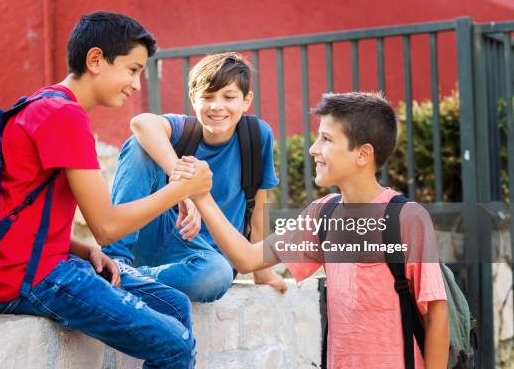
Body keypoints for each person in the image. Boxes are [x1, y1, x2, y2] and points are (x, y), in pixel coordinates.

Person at [0, 11, 213, 369]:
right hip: (31, 277)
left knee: (174, 305)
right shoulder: (64, 116)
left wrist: (80, 249)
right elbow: (108, 226)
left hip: (40, 263)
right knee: (174, 345)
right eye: (132, 69)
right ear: (96, 60)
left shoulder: (42, 102)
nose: (137, 85)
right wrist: (181, 189)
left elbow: (17, 207)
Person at [173, 92, 449, 368]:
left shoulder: (407, 219)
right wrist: (202, 196)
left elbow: (436, 313)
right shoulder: (323, 215)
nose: (313, 149)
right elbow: (247, 258)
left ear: (363, 154)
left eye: (327, 139)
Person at [102, 52, 286, 302]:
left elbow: (258, 207)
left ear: (246, 101)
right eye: (208, 97)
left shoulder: (256, 136)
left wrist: (263, 273)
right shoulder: (183, 130)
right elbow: (141, 123)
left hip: (204, 259)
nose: (216, 106)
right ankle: (115, 260)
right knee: (139, 145)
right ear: (193, 99)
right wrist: (182, 188)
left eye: (228, 97)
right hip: (159, 230)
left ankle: (128, 278)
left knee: (217, 274)